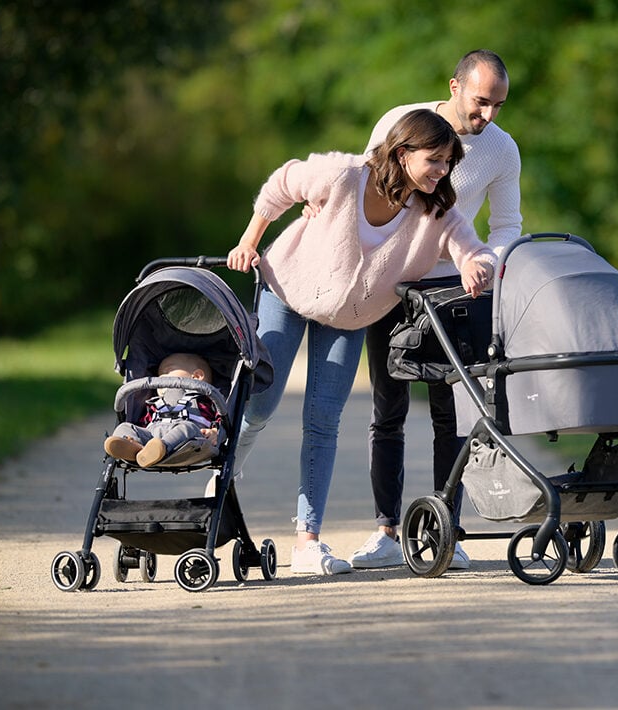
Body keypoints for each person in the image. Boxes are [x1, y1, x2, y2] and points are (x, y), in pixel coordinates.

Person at [226, 109, 496, 576]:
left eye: (448, 163)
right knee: (261, 404)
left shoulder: (435, 207)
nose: (442, 171)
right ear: (402, 152)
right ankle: (223, 478)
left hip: (349, 316)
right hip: (288, 289)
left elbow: (469, 244)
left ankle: (306, 541)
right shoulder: (345, 175)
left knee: (323, 421)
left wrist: (476, 264)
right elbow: (283, 182)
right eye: (434, 160)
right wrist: (250, 240)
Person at [349, 50, 522, 570]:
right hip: (391, 286)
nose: (488, 116)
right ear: (454, 86)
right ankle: (385, 531)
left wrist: (486, 262)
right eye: (480, 102)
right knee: (389, 410)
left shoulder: (502, 149)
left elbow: (508, 224)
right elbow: (361, 193)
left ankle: (448, 527)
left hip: (455, 292)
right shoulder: (398, 123)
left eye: (498, 105)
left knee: (451, 415)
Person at [103, 352, 223, 468]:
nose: (160, 379)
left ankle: (160, 448)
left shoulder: (206, 399)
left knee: (187, 428)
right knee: (124, 426)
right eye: (159, 375)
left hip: (187, 440)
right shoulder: (155, 402)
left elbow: (221, 417)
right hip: (152, 436)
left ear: (196, 377)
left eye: (167, 371)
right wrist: (137, 432)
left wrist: (215, 432)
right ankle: (133, 446)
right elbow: (144, 422)